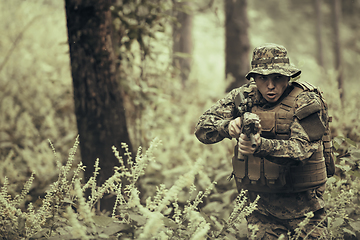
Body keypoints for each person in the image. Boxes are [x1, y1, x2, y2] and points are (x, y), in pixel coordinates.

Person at [195, 43, 334, 239]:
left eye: (277, 78)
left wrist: (260, 146)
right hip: (261, 210)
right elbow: (201, 128)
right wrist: (228, 126)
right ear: (254, 78)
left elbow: (301, 150)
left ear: (288, 76)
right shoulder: (243, 97)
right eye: (263, 78)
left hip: (304, 209)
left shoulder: (307, 100)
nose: (270, 85)